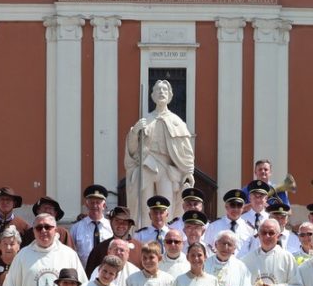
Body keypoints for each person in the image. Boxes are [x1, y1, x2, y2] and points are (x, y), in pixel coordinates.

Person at [125, 80, 196, 221]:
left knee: (166, 207)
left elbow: (186, 150)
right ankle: (144, 238)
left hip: (166, 169)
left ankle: (166, 238)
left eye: (164, 90)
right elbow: (132, 150)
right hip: (147, 166)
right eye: (158, 90)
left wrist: (188, 171)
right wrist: (134, 132)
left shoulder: (177, 121)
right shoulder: (145, 120)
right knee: (146, 209)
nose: (161, 92)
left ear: (170, 95)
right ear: (152, 96)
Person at [84, 206, 143, 276]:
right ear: (111, 223)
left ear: (129, 225)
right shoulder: (99, 249)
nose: (120, 225)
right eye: (117, 221)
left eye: (124, 222)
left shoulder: (140, 248)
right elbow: (90, 277)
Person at [72, 184, 112, 267]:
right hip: (84, 273)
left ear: (104, 206)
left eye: (98, 203)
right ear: (87, 204)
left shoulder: (111, 227)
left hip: (107, 273)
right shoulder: (76, 228)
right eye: (92, 202)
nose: (95, 206)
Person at [203, 189, 253, 254]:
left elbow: (252, 250)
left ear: (243, 207)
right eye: (232, 205)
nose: (236, 209)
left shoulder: (249, 228)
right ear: (226, 206)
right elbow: (207, 248)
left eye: (239, 205)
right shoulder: (213, 226)